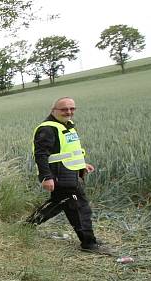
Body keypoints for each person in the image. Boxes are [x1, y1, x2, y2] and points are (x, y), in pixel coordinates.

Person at [26, 97, 109, 254]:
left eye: (72, 109)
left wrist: (81, 166)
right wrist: (46, 177)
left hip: (69, 174)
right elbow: (41, 155)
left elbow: (68, 152)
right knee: (80, 209)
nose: (69, 112)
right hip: (60, 176)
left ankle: (26, 226)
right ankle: (89, 244)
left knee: (57, 203)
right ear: (53, 110)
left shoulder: (67, 126)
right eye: (64, 109)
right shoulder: (48, 129)